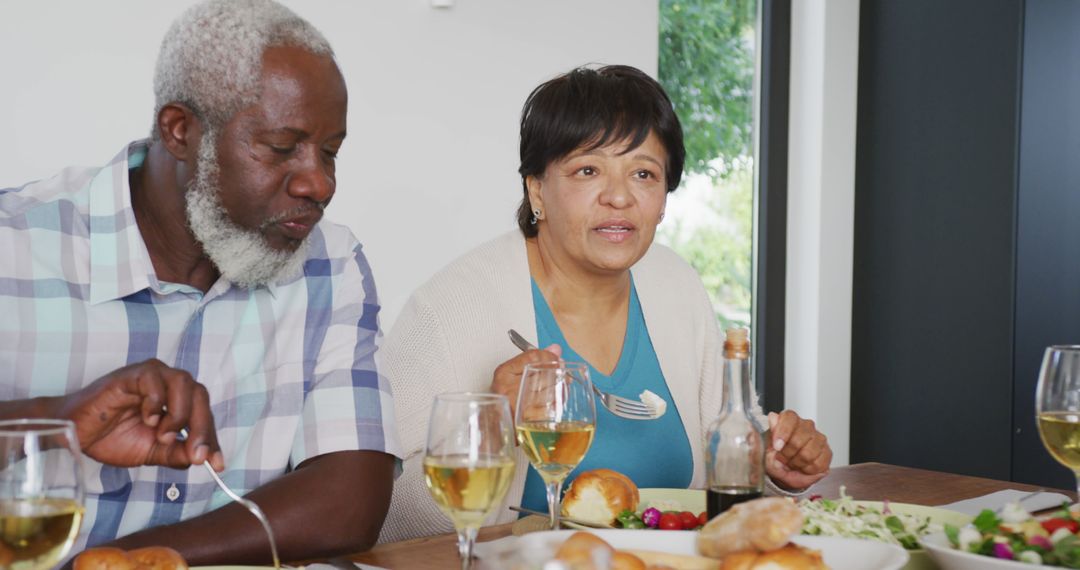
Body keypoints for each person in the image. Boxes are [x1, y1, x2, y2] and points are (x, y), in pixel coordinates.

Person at [0, 0, 400, 564]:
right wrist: (60, 420)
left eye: (331, 152)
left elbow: (350, 499)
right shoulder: (13, 245)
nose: (319, 182)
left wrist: (126, 562)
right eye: (282, 148)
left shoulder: (330, 262)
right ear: (181, 131)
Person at [379, 64, 831, 542]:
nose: (619, 197)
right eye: (588, 170)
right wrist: (491, 435)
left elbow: (727, 464)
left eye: (643, 173)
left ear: (663, 199)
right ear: (538, 190)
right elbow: (384, 518)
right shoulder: (449, 308)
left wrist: (772, 460)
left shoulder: (676, 284)